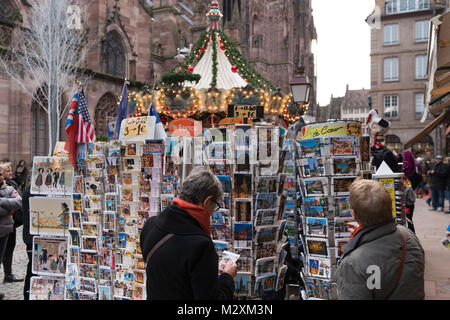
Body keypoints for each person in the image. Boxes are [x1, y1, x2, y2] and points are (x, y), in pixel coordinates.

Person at [140, 168, 237, 300]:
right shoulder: (201, 246)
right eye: (215, 205)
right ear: (207, 202)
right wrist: (228, 277)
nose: (213, 210)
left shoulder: (150, 225)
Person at [335, 179, 425, 300]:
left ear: (354, 215)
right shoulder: (407, 234)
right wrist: (364, 232)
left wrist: (362, 236)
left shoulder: (352, 263)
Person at [0, 163, 24, 283]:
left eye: (11, 171)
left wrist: (2, 202)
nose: (10, 173)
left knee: (9, 248)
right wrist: (8, 206)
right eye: (7, 171)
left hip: (11, 223)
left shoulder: (10, 186)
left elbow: (18, 202)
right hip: (5, 223)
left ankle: (8, 274)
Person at [21, 187, 37, 300]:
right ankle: (28, 294)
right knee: (33, 266)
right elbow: (26, 218)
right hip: (32, 237)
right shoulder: (29, 193)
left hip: (32, 236)